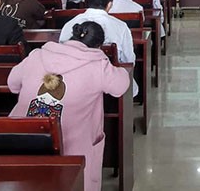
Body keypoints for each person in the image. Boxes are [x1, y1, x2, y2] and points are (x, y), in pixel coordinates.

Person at [8, 21, 130, 191]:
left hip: (24, 141)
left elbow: (12, 84)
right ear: (98, 46)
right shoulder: (98, 65)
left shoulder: (37, 55)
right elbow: (120, 87)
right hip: (73, 154)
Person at [58, 0, 138, 96]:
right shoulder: (120, 27)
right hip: (110, 89)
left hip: (72, 86)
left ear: (87, 0)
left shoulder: (70, 24)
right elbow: (128, 61)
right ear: (110, 4)